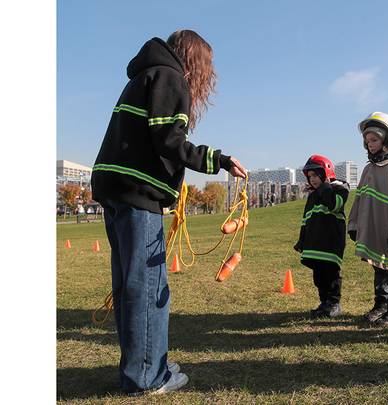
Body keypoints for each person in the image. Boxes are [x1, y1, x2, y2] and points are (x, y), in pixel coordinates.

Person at [90, 30, 247, 395]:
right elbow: (170, 140)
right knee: (147, 289)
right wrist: (219, 160)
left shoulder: (145, 75)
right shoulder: (169, 77)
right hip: (136, 195)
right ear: (195, 60)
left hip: (117, 192)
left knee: (132, 286)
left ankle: (146, 365)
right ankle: (146, 377)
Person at [347, 112, 388, 326]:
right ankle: (381, 305)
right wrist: (354, 225)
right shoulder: (368, 169)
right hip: (372, 230)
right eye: (367, 141)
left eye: (374, 140)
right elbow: (359, 200)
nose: (370, 145)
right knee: (378, 268)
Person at [294, 155, 350, 318]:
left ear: (326, 173)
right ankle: (324, 302)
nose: (312, 180)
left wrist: (324, 187)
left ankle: (334, 303)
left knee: (331, 274)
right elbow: (307, 219)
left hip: (331, 242)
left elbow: (334, 205)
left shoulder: (339, 189)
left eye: (316, 175)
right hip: (314, 242)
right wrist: (302, 239)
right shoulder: (313, 196)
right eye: (309, 177)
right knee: (318, 276)